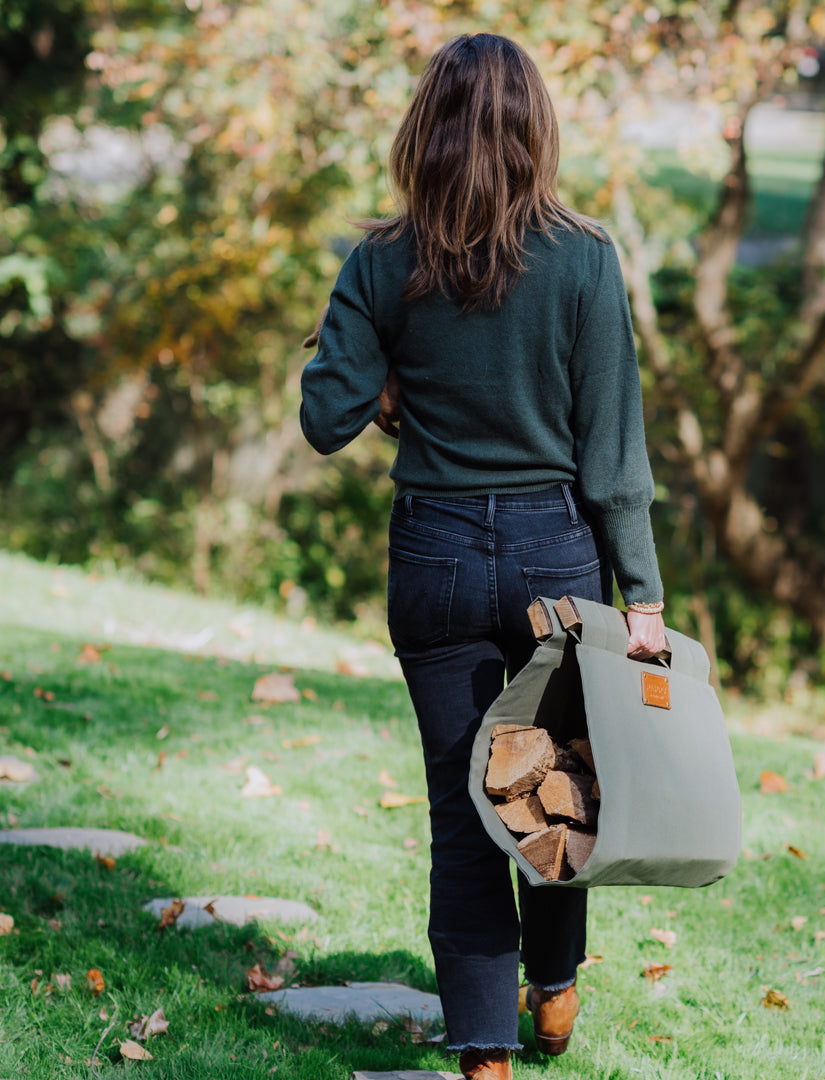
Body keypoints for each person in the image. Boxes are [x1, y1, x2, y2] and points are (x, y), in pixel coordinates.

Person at [299, 32, 666, 1080]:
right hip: (559, 550)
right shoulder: (585, 258)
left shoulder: (380, 260)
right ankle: (553, 989)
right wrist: (640, 593)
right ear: (534, 133)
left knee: (465, 811)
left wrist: (382, 388)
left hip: (436, 552)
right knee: (558, 787)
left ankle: (484, 1054)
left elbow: (326, 414)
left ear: (426, 132)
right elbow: (614, 455)